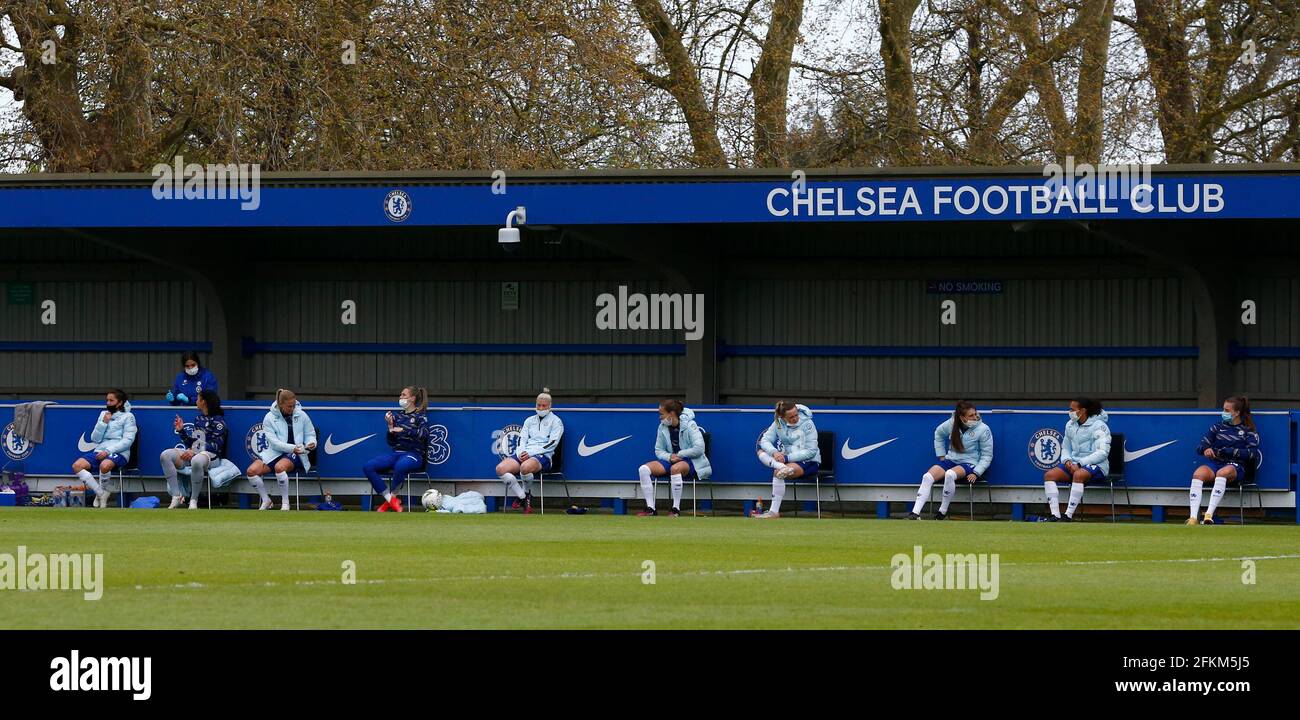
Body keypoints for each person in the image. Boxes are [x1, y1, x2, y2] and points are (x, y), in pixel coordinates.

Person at [907, 401, 993, 520]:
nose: (975, 417)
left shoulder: (984, 429)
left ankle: (942, 511)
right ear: (962, 418)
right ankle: (915, 514)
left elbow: (987, 455)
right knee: (927, 477)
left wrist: (976, 472)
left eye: (975, 414)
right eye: (971, 415)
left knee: (950, 474)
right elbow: (938, 433)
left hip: (970, 463)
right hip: (951, 460)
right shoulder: (952, 423)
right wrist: (941, 455)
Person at [1188, 396, 1261, 525]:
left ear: (1237, 413)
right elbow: (1200, 447)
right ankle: (1193, 518)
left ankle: (1208, 516)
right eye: (1223, 409)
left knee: (1222, 473)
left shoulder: (1248, 431)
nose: (1224, 413)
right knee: (1198, 474)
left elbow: (1252, 454)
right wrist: (1206, 450)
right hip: (1215, 463)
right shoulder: (1217, 427)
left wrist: (1229, 451)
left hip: (1236, 467)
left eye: (1227, 410)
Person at [1038, 398, 1110, 522]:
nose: (1069, 411)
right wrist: (1067, 461)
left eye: (1072, 409)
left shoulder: (1100, 426)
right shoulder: (1070, 425)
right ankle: (1055, 516)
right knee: (1049, 475)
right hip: (1074, 464)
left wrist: (1080, 463)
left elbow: (1103, 452)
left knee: (1078, 474)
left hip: (1098, 466)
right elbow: (1065, 447)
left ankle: (1068, 516)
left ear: (1082, 411)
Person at [636, 399, 711, 517]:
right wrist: (670, 457)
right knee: (643, 469)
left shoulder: (690, 425)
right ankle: (650, 508)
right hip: (671, 460)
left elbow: (699, 448)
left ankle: (676, 509)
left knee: (675, 469)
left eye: (662, 414)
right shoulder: (662, 427)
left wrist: (680, 455)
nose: (660, 417)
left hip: (692, 461)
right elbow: (658, 450)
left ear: (671, 414)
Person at [246, 389, 317, 511]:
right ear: (280, 405)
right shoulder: (269, 417)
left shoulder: (302, 415)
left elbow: (310, 434)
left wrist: (311, 443)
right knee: (251, 471)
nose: (292, 408)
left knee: (280, 467)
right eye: (289, 406)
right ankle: (266, 500)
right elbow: (274, 442)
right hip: (274, 452)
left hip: (298, 454)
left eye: (294, 405)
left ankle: (285, 503)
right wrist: (291, 448)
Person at [494, 388, 563, 514]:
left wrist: (530, 453)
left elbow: (552, 444)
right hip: (524, 453)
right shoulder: (529, 420)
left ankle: (525, 494)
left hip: (543, 456)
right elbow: (522, 439)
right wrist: (521, 452)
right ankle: (523, 496)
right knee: (500, 469)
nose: (541, 408)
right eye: (538, 405)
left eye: (544, 406)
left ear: (550, 406)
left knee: (525, 468)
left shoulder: (556, 422)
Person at [364, 386, 430, 513]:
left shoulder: (421, 416)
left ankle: (390, 501)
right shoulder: (397, 416)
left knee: (400, 466)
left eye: (403, 395)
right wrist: (390, 428)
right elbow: (391, 442)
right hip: (396, 453)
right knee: (368, 466)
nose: (400, 398)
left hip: (414, 455)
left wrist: (405, 430)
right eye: (400, 395)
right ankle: (390, 500)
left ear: (412, 398)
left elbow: (424, 434)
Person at [160, 390, 229, 510]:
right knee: (165, 455)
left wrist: (196, 451)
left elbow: (216, 446)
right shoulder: (199, 419)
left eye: (198, 399)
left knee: (196, 460)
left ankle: (193, 501)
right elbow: (193, 442)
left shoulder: (219, 421)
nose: (196, 401)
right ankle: (176, 496)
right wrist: (181, 431)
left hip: (212, 457)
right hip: (196, 453)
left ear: (204, 402)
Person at [754, 400, 820, 519]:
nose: (795, 418)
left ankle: (774, 512)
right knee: (760, 451)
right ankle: (782, 467)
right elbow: (764, 440)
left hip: (809, 461)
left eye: (796, 415)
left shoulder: (808, 423)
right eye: (791, 417)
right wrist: (774, 452)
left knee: (778, 473)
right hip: (787, 461)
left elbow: (811, 451)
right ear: (782, 417)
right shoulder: (777, 423)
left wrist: (786, 457)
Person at [71, 389, 136, 508]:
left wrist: (108, 451)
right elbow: (95, 439)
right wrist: (104, 423)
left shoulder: (128, 416)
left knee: (104, 465)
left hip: (120, 452)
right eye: (107, 400)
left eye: (111, 400)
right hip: (100, 450)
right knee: (77, 465)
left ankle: (102, 492)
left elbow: (128, 441)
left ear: (120, 403)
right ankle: (101, 493)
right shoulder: (103, 414)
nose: (108, 403)